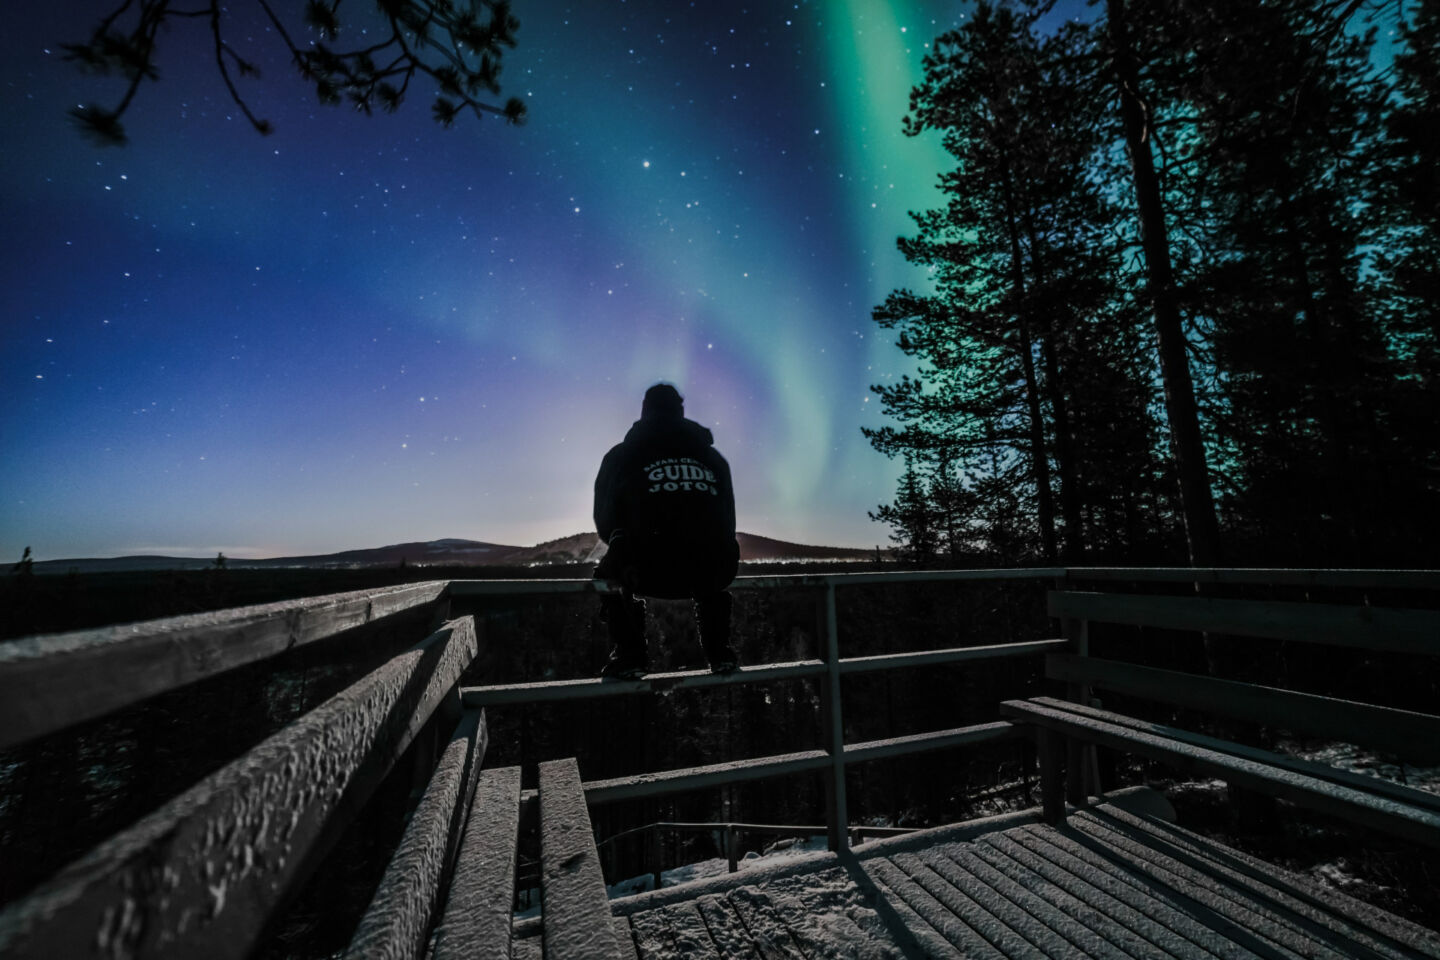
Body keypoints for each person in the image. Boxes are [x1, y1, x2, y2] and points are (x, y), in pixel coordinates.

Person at [593, 383, 740, 678]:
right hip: (712, 569)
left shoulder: (621, 456)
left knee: (607, 575)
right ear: (681, 412)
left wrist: (629, 536)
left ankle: (630, 654)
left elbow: (605, 520)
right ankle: (720, 652)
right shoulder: (714, 460)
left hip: (648, 569)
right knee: (713, 562)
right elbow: (728, 518)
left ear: (645, 411)